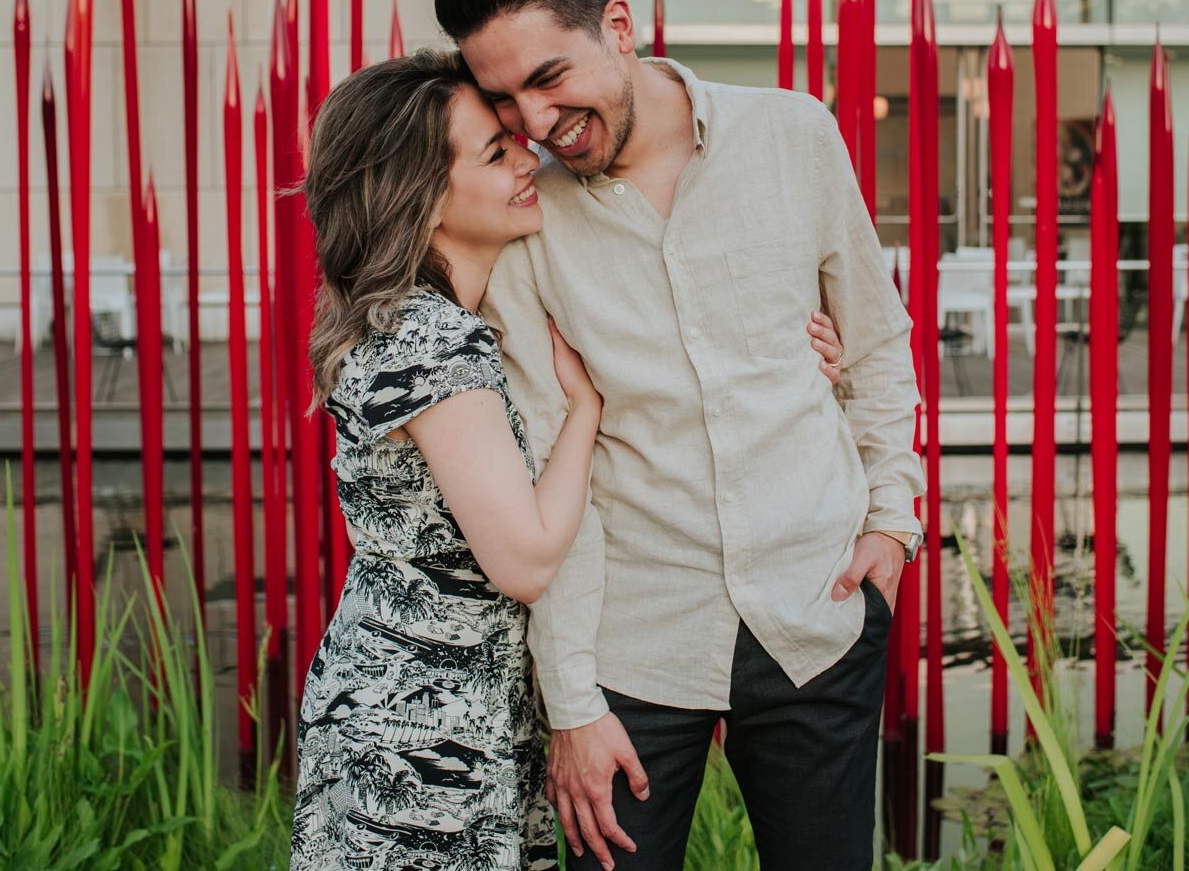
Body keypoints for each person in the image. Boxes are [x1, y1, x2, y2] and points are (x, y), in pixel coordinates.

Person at [434, 0, 926, 871]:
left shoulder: (795, 138)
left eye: (549, 78)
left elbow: (874, 343)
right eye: (506, 101)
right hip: (633, 643)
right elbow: (543, 464)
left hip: (817, 610)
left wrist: (893, 525)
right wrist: (571, 700)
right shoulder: (529, 221)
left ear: (618, 26)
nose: (536, 125)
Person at [290, 48, 850, 871]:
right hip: (424, 720)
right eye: (495, 151)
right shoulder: (432, 341)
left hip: (447, 698)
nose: (530, 154)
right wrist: (587, 410)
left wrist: (797, 368)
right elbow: (522, 556)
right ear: (424, 197)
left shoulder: (447, 324)